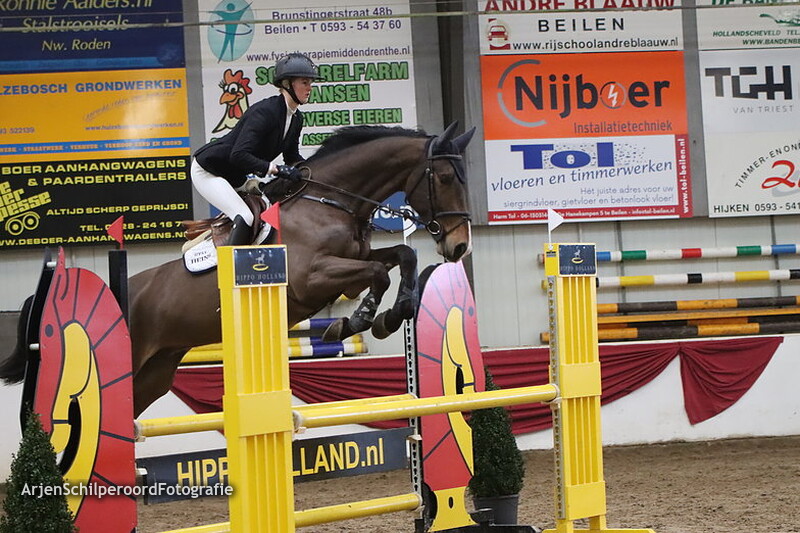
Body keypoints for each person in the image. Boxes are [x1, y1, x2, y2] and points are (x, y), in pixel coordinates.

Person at [191, 52, 320, 245]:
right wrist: (275, 169)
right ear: (287, 84)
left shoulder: (296, 118)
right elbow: (239, 155)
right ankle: (230, 263)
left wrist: (312, 170)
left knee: (268, 206)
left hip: (235, 176)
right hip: (209, 170)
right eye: (304, 82)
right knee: (245, 216)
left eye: (311, 83)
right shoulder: (265, 111)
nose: (310, 88)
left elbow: (291, 156)